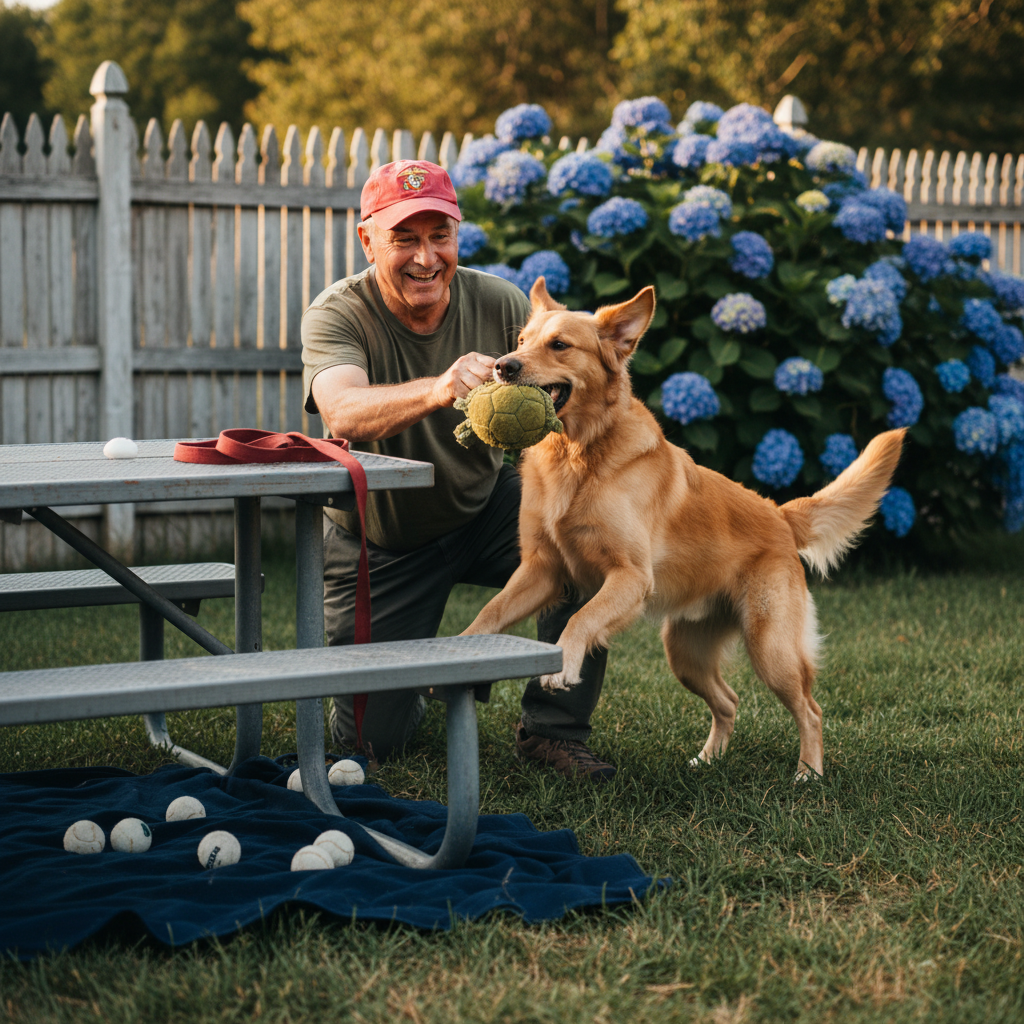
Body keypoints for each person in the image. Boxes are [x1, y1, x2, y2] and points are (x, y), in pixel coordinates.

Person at [300, 159, 614, 782]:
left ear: (457, 236)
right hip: (384, 540)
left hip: (484, 506)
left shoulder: (499, 301)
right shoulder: (338, 314)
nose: (425, 258)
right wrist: (439, 389)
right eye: (405, 238)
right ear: (368, 240)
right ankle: (417, 685)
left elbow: (575, 365)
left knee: (584, 552)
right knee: (371, 743)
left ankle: (552, 730)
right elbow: (342, 408)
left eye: (438, 236)